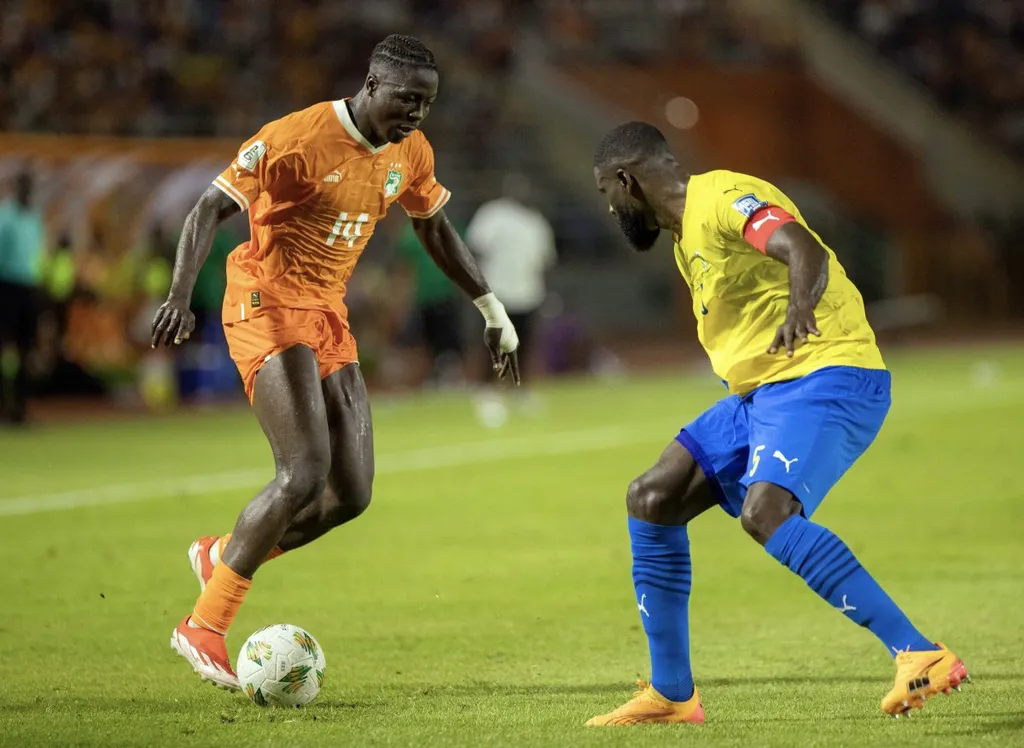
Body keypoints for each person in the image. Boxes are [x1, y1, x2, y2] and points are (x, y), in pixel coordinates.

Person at [151, 35, 520, 691]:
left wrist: (490, 307)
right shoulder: (295, 139)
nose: (416, 115)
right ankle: (203, 626)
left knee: (350, 494)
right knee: (302, 472)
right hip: (264, 299)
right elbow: (209, 207)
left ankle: (224, 554)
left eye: (427, 104)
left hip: (326, 312)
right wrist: (180, 296)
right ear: (372, 84)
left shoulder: (411, 151)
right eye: (408, 99)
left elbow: (433, 225)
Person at [585, 122, 968, 726]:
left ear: (625, 180)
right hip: (765, 393)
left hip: (826, 372)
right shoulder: (688, 238)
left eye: (606, 191)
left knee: (767, 512)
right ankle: (672, 695)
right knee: (652, 496)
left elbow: (802, 248)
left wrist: (799, 309)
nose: (609, 207)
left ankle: (918, 651)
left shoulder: (721, 199)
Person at [466, 173, 556, 425]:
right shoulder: (492, 215)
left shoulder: (536, 222)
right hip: (498, 294)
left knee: (523, 345)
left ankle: (520, 389)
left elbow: (545, 261)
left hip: (528, 293)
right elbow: (476, 249)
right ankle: (486, 392)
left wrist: (545, 292)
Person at [394, 220, 465, 387]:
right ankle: (428, 380)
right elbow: (405, 271)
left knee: (446, 342)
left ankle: (447, 379)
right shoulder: (409, 234)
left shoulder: (448, 230)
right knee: (424, 344)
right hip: (422, 298)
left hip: (444, 296)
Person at [0, 169, 45, 425]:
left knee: (26, 350)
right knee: (5, 349)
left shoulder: (35, 217)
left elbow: (35, 255)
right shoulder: (6, 217)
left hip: (28, 287)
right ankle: (5, 404)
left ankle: (21, 407)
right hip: (6, 286)